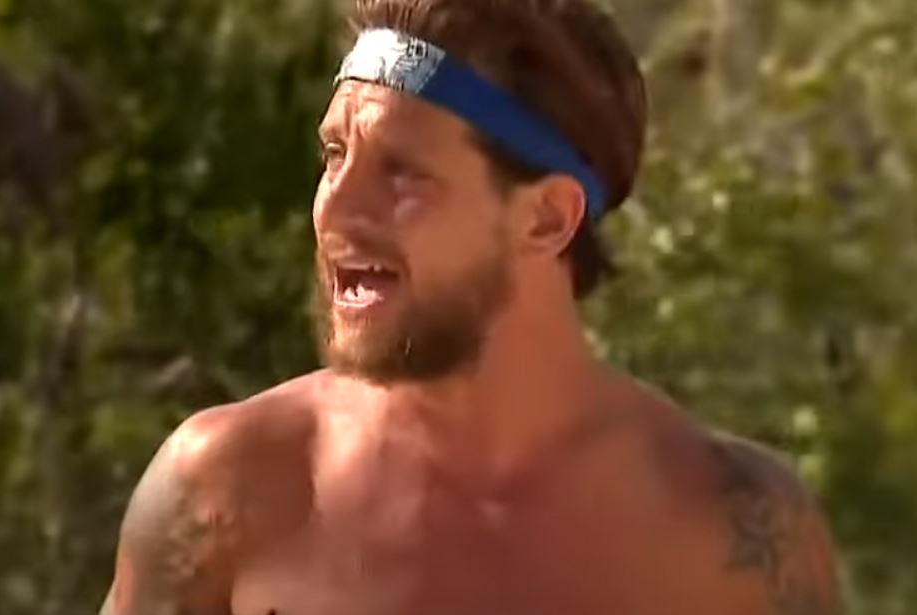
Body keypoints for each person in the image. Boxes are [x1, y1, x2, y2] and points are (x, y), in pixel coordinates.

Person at [99, 0, 839, 613]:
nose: (336, 210)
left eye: (401, 171)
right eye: (334, 156)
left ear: (546, 218)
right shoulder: (228, 490)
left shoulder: (729, 529)